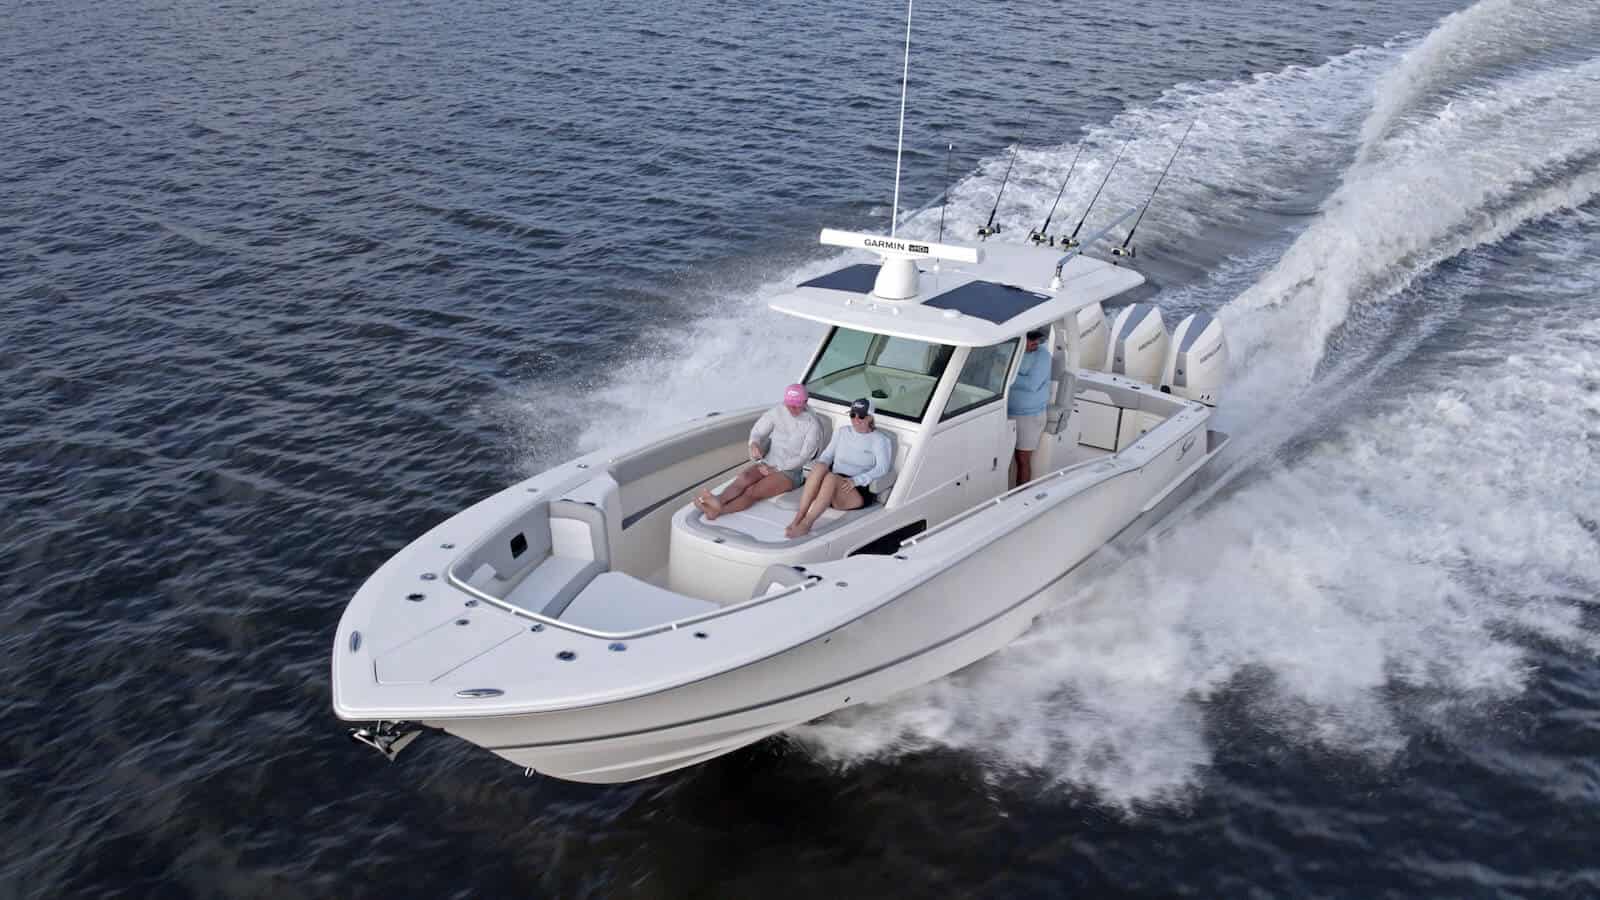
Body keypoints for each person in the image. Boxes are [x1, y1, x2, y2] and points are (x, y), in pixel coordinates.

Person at [695, 384, 822, 520]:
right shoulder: (777, 412)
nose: (792, 410)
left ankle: (719, 511)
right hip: (768, 462)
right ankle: (718, 501)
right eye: (789, 405)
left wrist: (776, 469)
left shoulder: (813, 425)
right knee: (744, 478)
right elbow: (757, 433)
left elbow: (804, 457)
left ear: (805, 402)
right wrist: (754, 444)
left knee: (754, 491)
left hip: (790, 472)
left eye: (797, 406)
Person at [785, 397, 893, 538]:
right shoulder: (842, 432)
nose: (856, 420)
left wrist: (857, 480)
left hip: (857, 490)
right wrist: (821, 466)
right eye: (853, 415)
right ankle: (799, 517)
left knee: (831, 477)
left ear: (870, 417)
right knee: (820, 467)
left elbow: (882, 468)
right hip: (833, 485)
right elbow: (827, 456)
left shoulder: (880, 440)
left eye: (861, 416)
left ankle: (806, 524)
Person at [1007, 328, 1051, 485]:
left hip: (1030, 416)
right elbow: (993, 376)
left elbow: (1032, 384)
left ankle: (1021, 496)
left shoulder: (1043, 356)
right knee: (1002, 458)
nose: (1035, 343)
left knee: (1022, 458)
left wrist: (1006, 377)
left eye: (1037, 339)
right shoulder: (1009, 350)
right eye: (1031, 339)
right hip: (1005, 411)